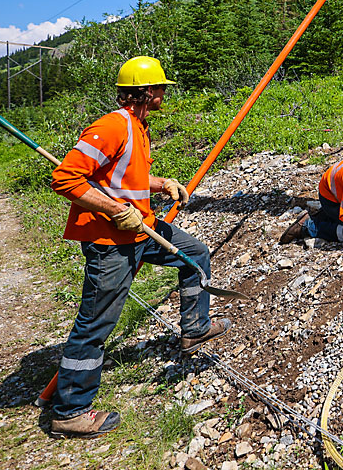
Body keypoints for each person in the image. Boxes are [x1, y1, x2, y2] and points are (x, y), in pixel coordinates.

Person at [48, 56, 231, 438]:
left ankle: (194, 329)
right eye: (161, 87)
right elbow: (65, 178)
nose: (165, 93)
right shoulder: (112, 126)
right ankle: (70, 410)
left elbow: (123, 177)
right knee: (96, 324)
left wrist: (161, 183)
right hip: (110, 241)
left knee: (194, 254)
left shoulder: (138, 127)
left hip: (140, 230)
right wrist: (116, 211)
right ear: (146, 92)